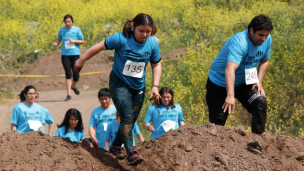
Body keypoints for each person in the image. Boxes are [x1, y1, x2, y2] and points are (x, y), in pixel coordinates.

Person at [74, 13, 162, 165]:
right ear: (134, 27)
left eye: (148, 31)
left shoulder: (152, 43)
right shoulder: (121, 38)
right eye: (141, 31)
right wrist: (82, 60)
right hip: (119, 83)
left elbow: (156, 64)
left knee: (131, 120)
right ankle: (131, 152)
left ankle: (116, 146)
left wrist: (155, 86)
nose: (145, 35)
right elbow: (99, 47)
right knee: (127, 116)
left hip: (138, 87)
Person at [206, 14, 273, 134]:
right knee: (218, 121)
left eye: (266, 35)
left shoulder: (267, 40)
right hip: (220, 82)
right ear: (251, 30)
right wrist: (230, 95)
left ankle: (257, 142)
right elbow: (230, 70)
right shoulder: (239, 42)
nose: (263, 39)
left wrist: (258, 80)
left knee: (260, 102)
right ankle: (217, 150)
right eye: (260, 35)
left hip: (246, 78)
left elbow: (265, 60)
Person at [52, 14, 84, 101]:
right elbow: (59, 39)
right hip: (65, 55)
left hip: (75, 54)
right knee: (68, 74)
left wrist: (74, 41)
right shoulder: (62, 30)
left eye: (69, 21)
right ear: (64, 22)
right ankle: (68, 95)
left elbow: (82, 41)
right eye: (66, 22)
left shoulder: (77, 29)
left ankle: (73, 86)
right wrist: (56, 43)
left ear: (72, 21)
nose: (68, 23)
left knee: (76, 75)